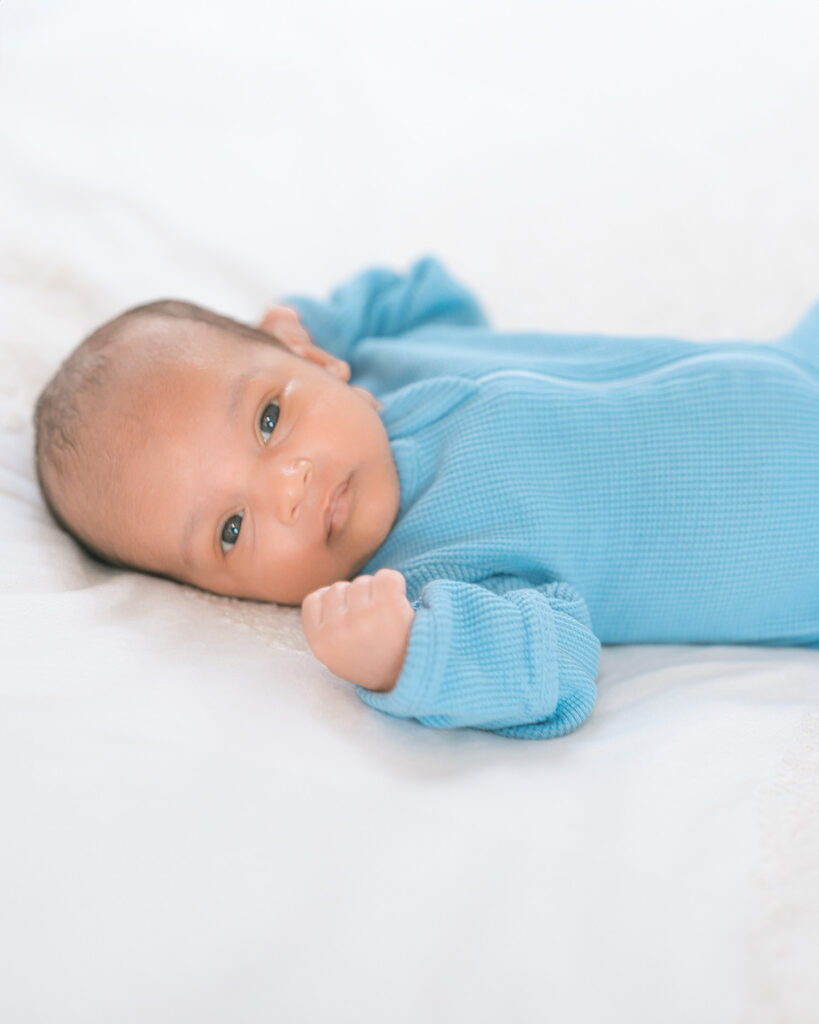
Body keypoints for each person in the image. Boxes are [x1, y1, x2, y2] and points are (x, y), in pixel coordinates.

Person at [34, 257, 819, 738]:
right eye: (232, 530)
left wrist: (318, 321)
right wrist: (406, 658)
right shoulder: (425, 579)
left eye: (269, 419)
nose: (287, 489)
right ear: (218, 593)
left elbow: (434, 295)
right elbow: (558, 665)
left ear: (309, 360)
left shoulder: (375, 367)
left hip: (785, 363)